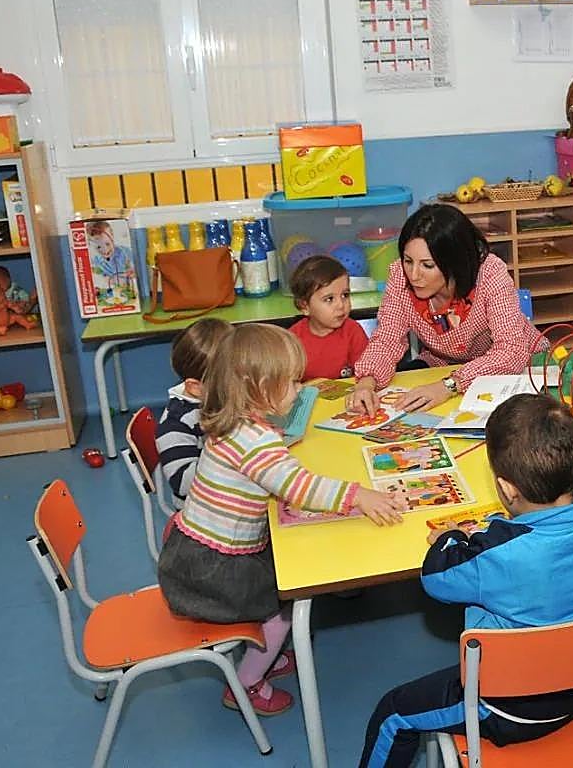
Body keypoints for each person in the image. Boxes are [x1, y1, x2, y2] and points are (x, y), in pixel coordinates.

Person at [157, 323, 407, 716]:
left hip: (197, 551)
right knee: (287, 607)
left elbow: (281, 478)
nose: (300, 389)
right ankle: (247, 683)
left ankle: (262, 654)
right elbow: (301, 488)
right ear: (256, 388)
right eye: (291, 382)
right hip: (213, 570)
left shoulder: (232, 421)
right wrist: (359, 495)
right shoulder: (254, 440)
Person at [359, 394, 573, 767]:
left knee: (392, 713)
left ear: (507, 489)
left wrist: (452, 537)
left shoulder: (497, 552)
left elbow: (436, 578)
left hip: (509, 709)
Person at [350, 203, 544, 415]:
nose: (414, 275)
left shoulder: (489, 273)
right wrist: (366, 383)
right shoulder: (400, 276)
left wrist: (450, 385)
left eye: (428, 265)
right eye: (408, 261)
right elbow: (388, 338)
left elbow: (511, 351)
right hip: (443, 368)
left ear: (454, 262)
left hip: (521, 368)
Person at [155, 318, 234, 503]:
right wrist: (232, 455)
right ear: (195, 387)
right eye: (232, 380)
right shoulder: (175, 425)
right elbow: (182, 484)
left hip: (229, 491)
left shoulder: (217, 397)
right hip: (202, 510)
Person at [288, 255, 370, 381]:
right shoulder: (292, 340)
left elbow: (367, 372)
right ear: (305, 306)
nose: (341, 305)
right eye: (329, 299)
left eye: (345, 295)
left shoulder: (353, 331)